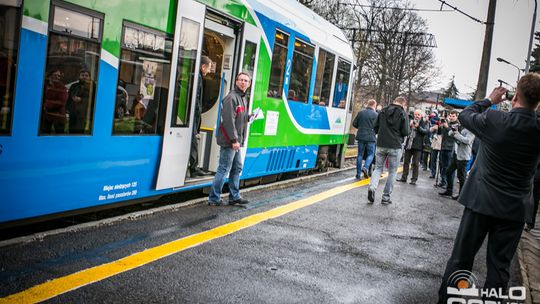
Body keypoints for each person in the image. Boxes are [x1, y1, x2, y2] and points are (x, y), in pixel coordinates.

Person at [438, 74, 540, 303]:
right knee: (499, 268)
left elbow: (465, 115)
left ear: (515, 97)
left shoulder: (494, 119)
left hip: (480, 201)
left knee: (461, 259)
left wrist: (489, 99)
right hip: (514, 209)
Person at [208, 72, 252, 206]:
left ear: (249, 84)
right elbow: (228, 121)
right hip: (231, 141)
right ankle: (214, 198)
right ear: (236, 82)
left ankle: (234, 196)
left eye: (246, 81)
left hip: (236, 141)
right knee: (224, 169)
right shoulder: (231, 98)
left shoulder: (243, 98)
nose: (243, 82)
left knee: (236, 167)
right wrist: (233, 140)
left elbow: (239, 117)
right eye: (241, 80)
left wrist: (249, 117)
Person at [367, 96, 409, 204]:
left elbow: (375, 126)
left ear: (394, 101)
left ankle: (372, 187)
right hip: (395, 146)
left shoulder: (383, 111)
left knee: (378, 168)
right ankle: (386, 197)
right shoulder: (403, 114)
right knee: (392, 171)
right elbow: (405, 132)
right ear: (403, 104)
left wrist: (380, 134)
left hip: (381, 144)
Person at [438, 123, 474, 200]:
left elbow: (467, 141)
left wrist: (456, 133)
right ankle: (449, 190)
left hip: (464, 156)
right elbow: (450, 134)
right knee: (448, 171)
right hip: (456, 154)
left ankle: (461, 195)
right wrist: (453, 130)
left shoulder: (471, 130)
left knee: (461, 176)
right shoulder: (460, 127)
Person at [189, 55, 212, 177]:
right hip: (193, 115)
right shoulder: (197, 77)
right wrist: (198, 115)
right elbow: (197, 99)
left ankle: (194, 167)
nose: (209, 71)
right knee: (193, 141)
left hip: (192, 114)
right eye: (208, 68)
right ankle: (194, 168)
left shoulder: (194, 75)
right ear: (203, 66)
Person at [397, 109, 429, 185]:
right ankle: (404, 177)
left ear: (421, 115)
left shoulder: (424, 122)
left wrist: (418, 127)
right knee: (406, 161)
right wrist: (409, 126)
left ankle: (414, 179)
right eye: (415, 114)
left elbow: (426, 132)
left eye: (418, 115)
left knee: (415, 163)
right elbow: (405, 131)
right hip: (409, 144)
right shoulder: (410, 121)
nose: (417, 116)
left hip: (418, 145)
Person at [352, 99, 378, 179]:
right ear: (374, 105)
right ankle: (365, 167)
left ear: (368, 104)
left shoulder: (361, 113)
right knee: (371, 154)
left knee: (360, 154)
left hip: (361, 136)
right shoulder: (376, 115)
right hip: (371, 137)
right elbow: (378, 127)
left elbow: (354, 123)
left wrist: (361, 128)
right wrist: (374, 132)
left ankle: (358, 174)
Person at [66, 69, 94, 134]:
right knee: (71, 131)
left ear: (89, 77)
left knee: (81, 131)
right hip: (73, 112)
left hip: (85, 113)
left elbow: (93, 100)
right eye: (82, 75)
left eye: (86, 75)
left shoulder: (93, 86)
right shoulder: (74, 86)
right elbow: (69, 98)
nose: (84, 77)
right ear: (79, 76)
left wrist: (81, 100)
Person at [41, 69, 68, 134]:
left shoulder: (62, 87)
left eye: (59, 76)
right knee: (44, 134)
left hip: (58, 115)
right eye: (55, 75)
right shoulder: (44, 85)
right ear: (50, 75)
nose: (57, 77)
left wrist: (46, 104)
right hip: (46, 115)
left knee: (59, 135)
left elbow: (62, 101)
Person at [436, 110, 459, 188]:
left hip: (451, 148)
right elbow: (439, 133)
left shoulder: (457, 125)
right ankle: (443, 181)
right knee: (443, 166)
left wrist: (447, 127)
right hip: (443, 147)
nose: (451, 118)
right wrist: (440, 126)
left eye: (453, 116)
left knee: (450, 168)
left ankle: (449, 184)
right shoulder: (447, 123)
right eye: (450, 116)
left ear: (456, 116)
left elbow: (454, 135)